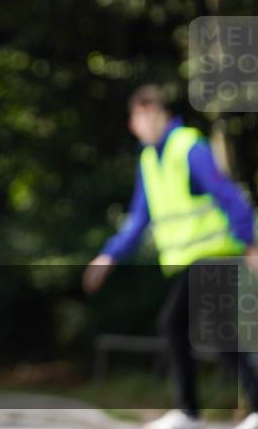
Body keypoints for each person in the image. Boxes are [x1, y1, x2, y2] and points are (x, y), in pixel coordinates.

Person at [83, 85, 258, 429]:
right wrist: (109, 255)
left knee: (178, 324)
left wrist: (251, 242)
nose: (141, 125)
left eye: (145, 116)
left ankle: (192, 412)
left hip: (214, 253)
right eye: (137, 119)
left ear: (158, 112)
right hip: (189, 260)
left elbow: (225, 192)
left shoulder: (188, 145)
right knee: (215, 332)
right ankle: (201, 410)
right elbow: (138, 218)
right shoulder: (149, 160)